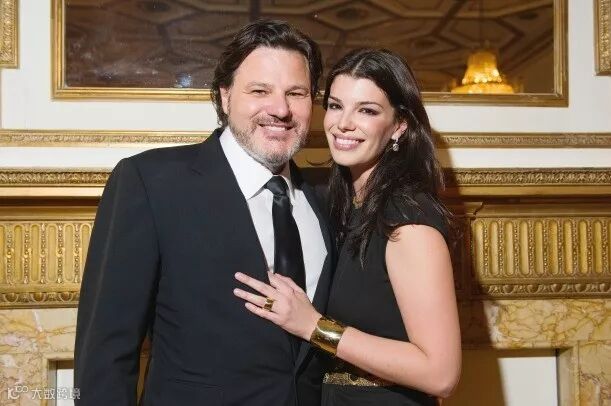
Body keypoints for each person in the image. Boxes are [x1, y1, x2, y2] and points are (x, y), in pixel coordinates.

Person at [74, 20, 335, 406]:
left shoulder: (327, 196)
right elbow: (105, 355)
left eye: (296, 93)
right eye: (260, 90)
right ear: (225, 96)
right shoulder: (151, 182)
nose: (280, 109)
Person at [234, 48, 462, 405]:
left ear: (400, 124)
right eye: (336, 106)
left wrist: (313, 326)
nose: (343, 123)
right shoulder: (337, 203)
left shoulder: (408, 222)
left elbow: (441, 374)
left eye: (367, 110)